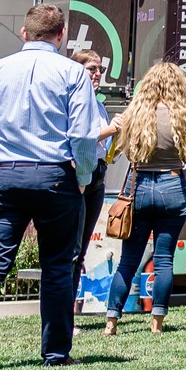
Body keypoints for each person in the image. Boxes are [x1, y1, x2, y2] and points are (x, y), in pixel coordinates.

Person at [0, 4, 100, 370]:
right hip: (55, 177)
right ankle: (56, 353)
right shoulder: (73, 73)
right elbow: (82, 135)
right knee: (57, 266)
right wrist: (83, 176)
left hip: (5, 176)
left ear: (24, 33)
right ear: (61, 36)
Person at [100, 62, 186, 335]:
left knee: (128, 260)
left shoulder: (136, 113)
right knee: (164, 259)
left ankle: (111, 322)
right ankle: (157, 323)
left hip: (139, 187)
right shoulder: (185, 115)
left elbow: (123, 152)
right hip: (172, 186)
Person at [68, 50, 114, 308]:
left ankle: (69, 312)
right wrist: (111, 129)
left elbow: (101, 142)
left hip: (98, 173)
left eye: (100, 70)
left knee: (82, 249)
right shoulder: (74, 100)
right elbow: (81, 137)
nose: (98, 74)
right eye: (92, 69)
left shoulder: (98, 104)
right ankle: (64, 315)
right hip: (79, 175)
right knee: (73, 250)